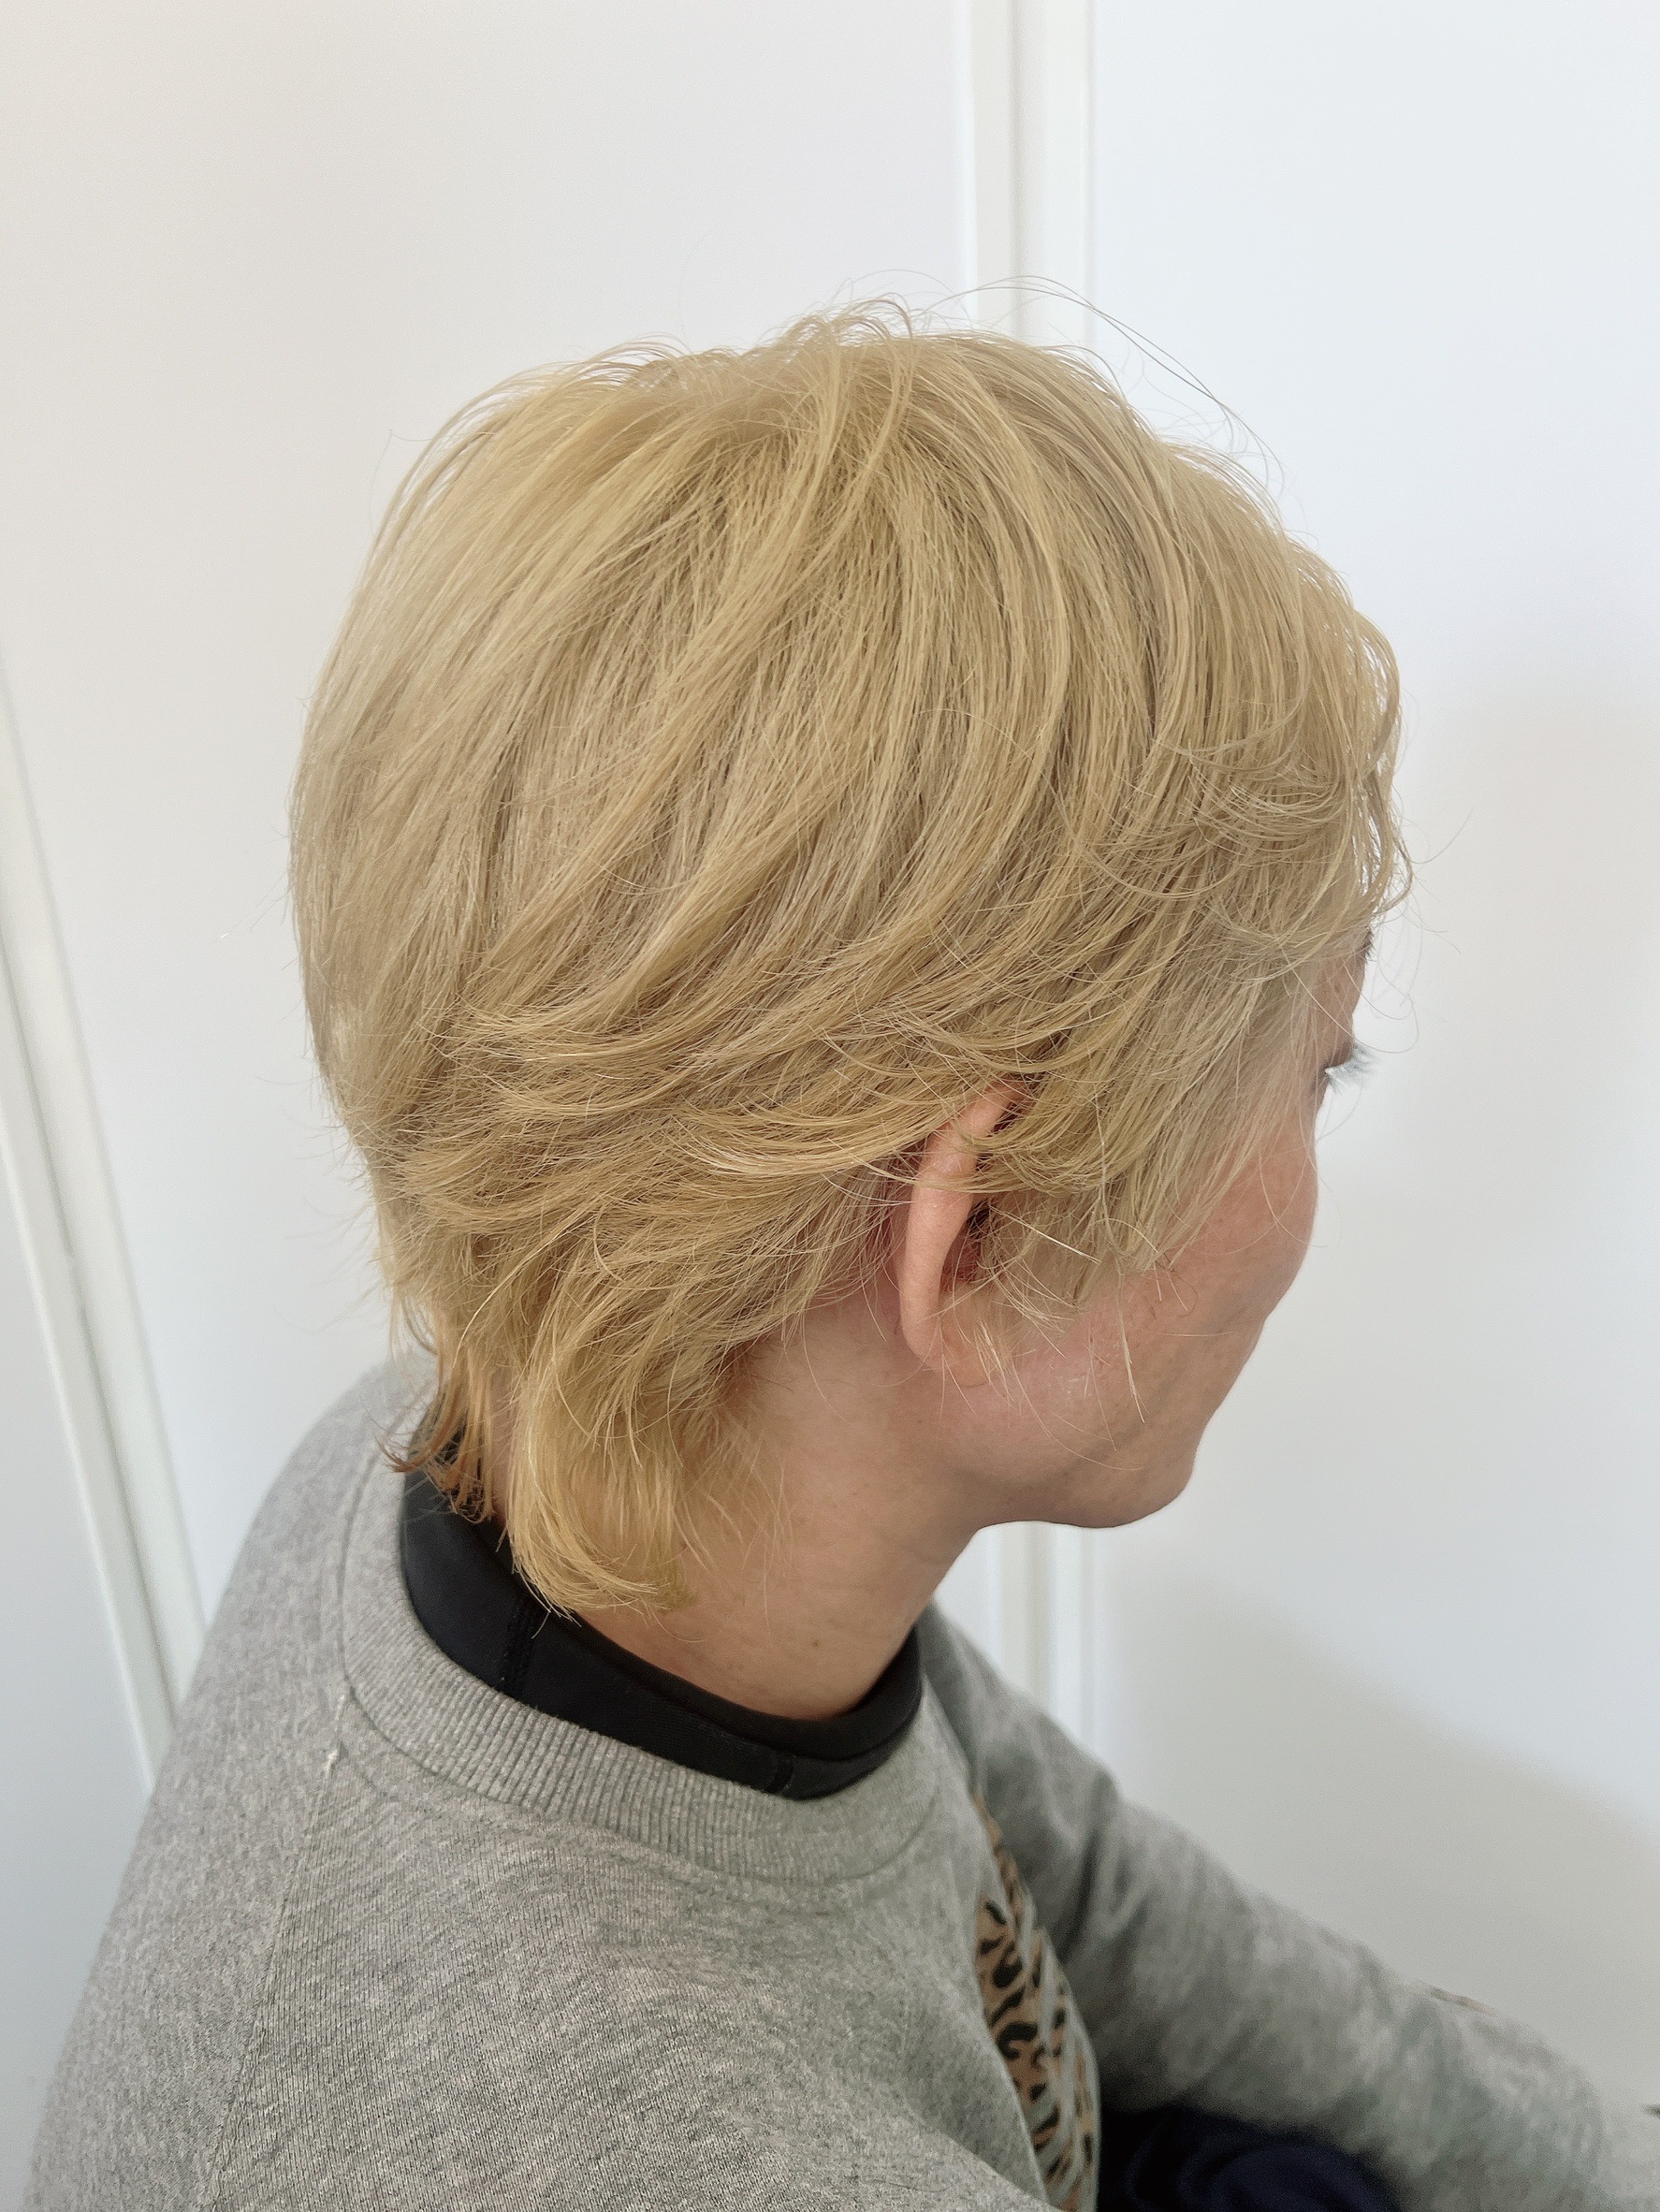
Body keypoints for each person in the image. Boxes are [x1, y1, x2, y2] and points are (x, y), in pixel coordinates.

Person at [27, 309, 1658, 2212]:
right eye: (1320, 1071)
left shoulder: (522, 1457)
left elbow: (1084, 1885)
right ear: (977, 1237)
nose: (1313, 1180)